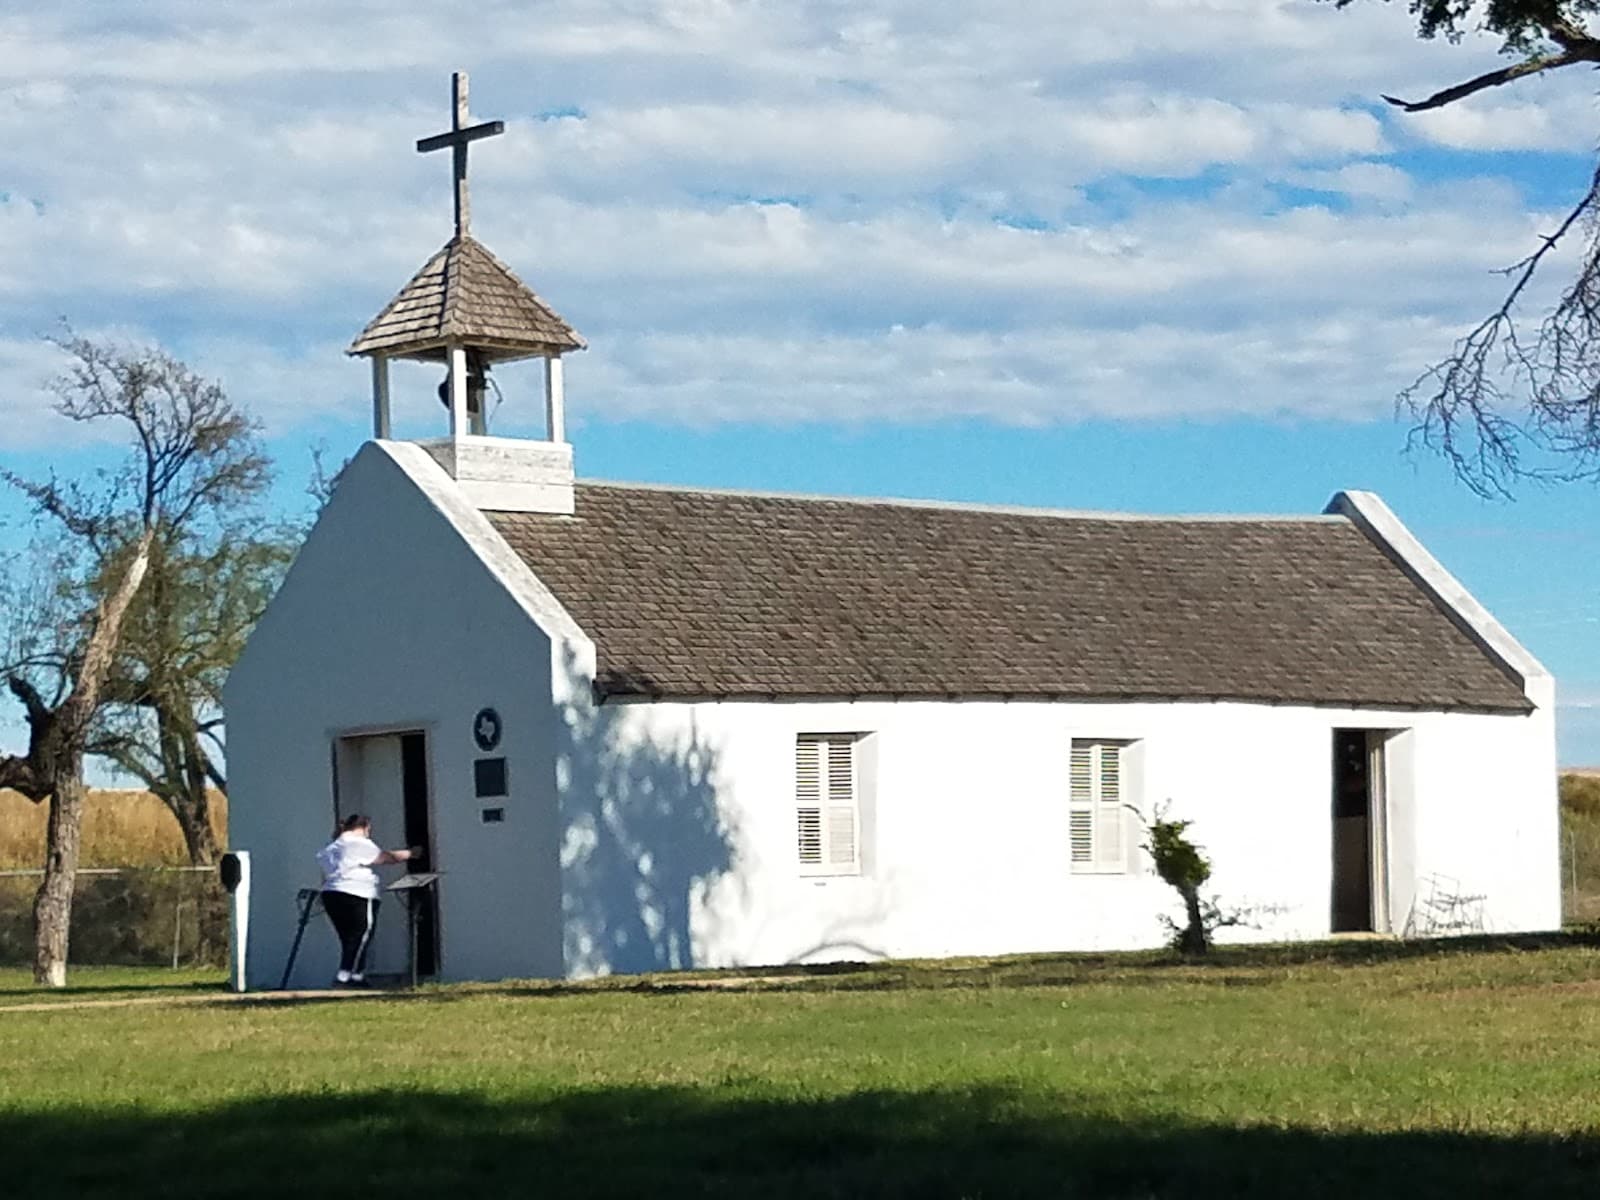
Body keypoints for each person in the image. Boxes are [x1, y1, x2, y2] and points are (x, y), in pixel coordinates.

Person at [316, 814, 421, 987]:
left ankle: (357, 975)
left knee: (348, 938)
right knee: (362, 934)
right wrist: (411, 853)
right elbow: (386, 858)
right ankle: (344, 976)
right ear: (364, 827)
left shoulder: (332, 846)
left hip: (332, 894)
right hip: (358, 892)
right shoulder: (358, 843)